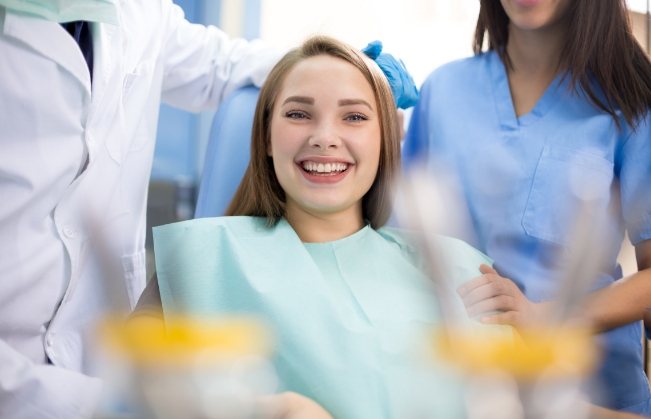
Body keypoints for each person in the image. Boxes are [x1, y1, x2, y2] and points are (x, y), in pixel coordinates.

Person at [134, 35, 500, 418]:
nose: (325, 138)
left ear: (384, 141)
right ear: (267, 138)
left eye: (355, 117)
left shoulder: (457, 272)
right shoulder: (199, 261)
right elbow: (131, 392)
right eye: (298, 114)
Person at [402, 0, 651, 414]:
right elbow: (401, 243)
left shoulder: (631, 101)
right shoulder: (443, 90)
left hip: (591, 394)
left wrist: (547, 317)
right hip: (464, 389)